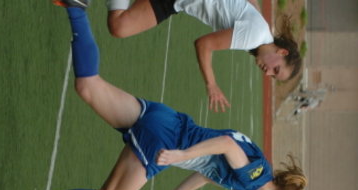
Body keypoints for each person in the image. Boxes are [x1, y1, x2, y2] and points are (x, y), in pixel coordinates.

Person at [6, 3, 307, 190]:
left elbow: (206, 175)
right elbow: (226, 145)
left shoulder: (254, 177)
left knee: (88, 86)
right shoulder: (255, 178)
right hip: (167, 140)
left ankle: (75, 8)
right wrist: (181, 155)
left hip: (166, 119)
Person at [101, 0, 302, 112]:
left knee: (120, 26)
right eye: (276, 69)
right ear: (282, 52)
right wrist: (211, 85)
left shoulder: (261, 32)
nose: (268, 73)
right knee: (120, 26)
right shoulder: (254, 37)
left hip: (178, 3)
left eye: (273, 76)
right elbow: (204, 44)